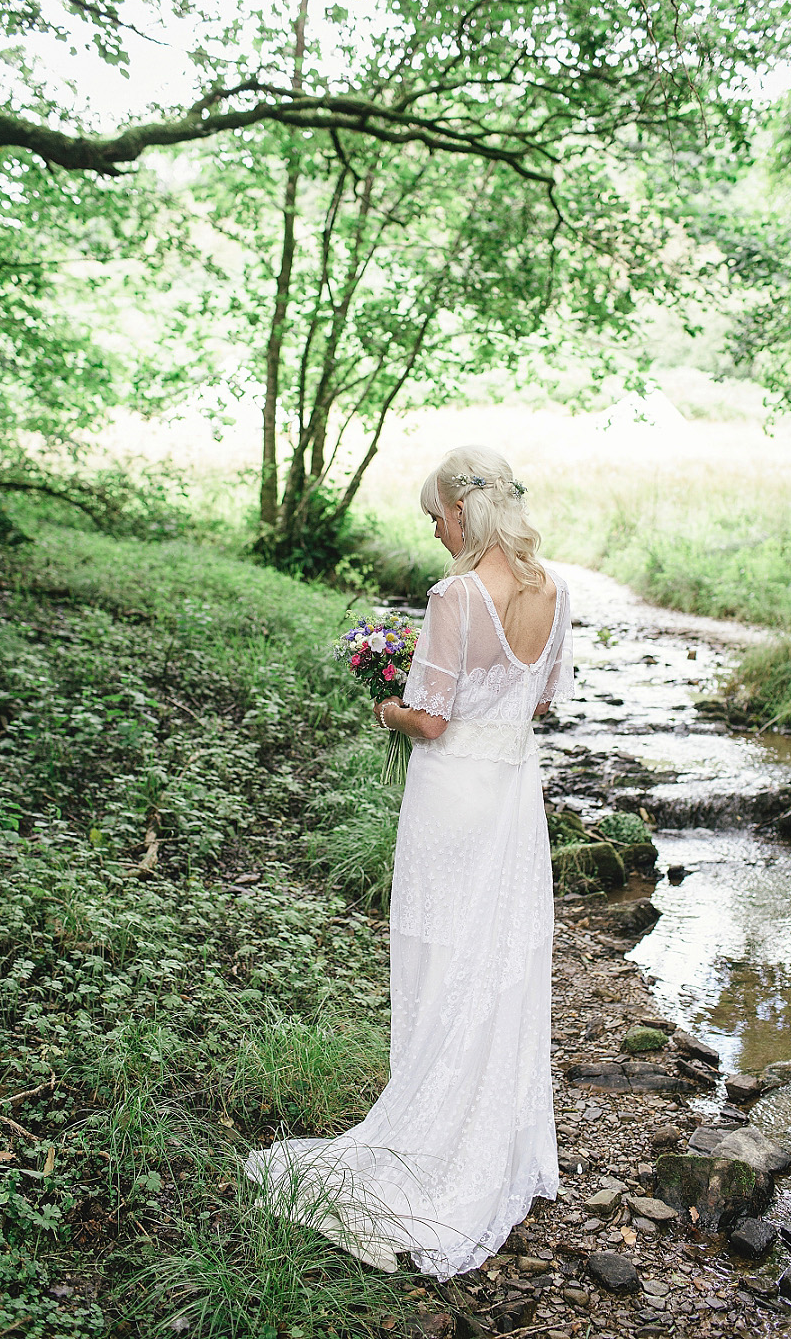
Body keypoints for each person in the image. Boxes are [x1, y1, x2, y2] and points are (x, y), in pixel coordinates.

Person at [245, 444, 574, 1279]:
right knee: (498, 953)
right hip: (512, 796)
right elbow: (537, 700)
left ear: (464, 512)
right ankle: (495, 1140)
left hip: (453, 797)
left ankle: (433, 1135)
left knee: (440, 946)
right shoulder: (554, 588)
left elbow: (430, 719)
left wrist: (387, 703)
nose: (433, 529)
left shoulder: (457, 594)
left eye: (436, 514)